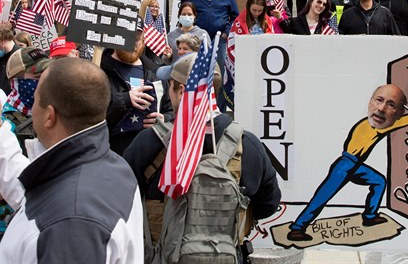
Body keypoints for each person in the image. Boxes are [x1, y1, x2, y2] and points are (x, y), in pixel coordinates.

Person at [123, 53, 281, 262]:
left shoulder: (149, 142)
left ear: (181, 91)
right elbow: (269, 204)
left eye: (169, 85)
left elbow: (121, 201)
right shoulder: (247, 144)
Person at [0, 57, 144, 263]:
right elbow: (37, 198)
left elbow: (59, 210)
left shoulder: (70, 225)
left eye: (36, 97)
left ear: (49, 116)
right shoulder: (112, 167)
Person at [287, 84, 408, 241]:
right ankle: (297, 228)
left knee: (379, 181)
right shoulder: (371, 125)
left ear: (399, 112)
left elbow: (395, 123)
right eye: (379, 100)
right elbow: (397, 124)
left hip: (355, 166)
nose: (381, 109)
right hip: (344, 166)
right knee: (322, 197)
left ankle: (370, 216)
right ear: (370, 102)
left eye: (390, 105)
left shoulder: (377, 123)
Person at [100, 29, 171, 155]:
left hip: (144, 159)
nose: (132, 43)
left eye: (137, 39)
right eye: (127, 37)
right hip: (108, 154)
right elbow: (91, 113)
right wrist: (125, 99)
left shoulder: (155, 74)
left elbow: (172, 111)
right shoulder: (99, 70)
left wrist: (163, 119)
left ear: (143, 41)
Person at [188, 0, 239, 81]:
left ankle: (220, 99)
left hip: (220, 39)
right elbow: (189, 13)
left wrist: (226, 32)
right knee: (198, 71)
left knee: (219, 73)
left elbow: (235, 17)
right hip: (199, 39)